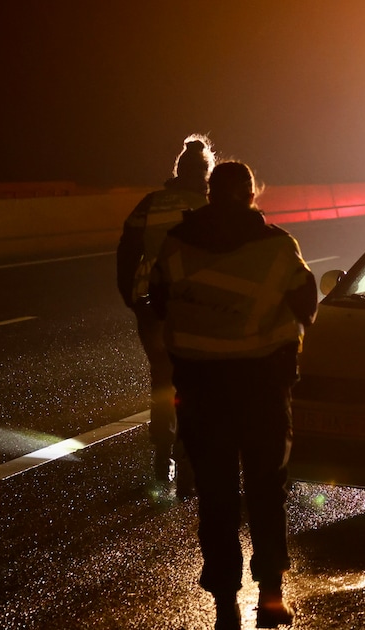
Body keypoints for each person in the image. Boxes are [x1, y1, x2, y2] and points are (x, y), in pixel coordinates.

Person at [149, 161, 316, 629]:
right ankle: (271, 596)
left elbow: (158, 300)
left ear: (207, 193)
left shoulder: (178, 245)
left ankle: (225, 603)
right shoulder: (278, 247)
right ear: (251, 196)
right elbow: (306, 303)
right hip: (262, 388)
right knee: (266, 490)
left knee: (216, 495)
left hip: (202, 389)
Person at [116, 134, 215, 495]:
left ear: (178, 170)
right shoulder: (211, 205)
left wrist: (128, 294)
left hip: (152, 306)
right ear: (207, 172)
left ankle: (162, 453)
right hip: (197, 307)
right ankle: (190, 459)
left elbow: (127, 249)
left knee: (162, 379)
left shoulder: (151, 203)